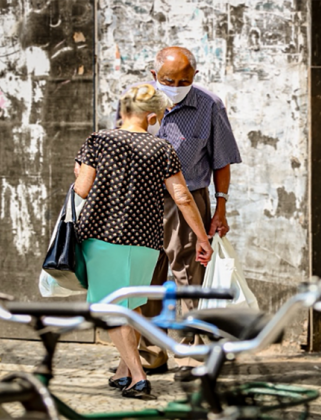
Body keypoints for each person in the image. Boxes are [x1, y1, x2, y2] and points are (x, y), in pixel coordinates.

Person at [74, 84, 213, 398]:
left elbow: (81, 190)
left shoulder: (98, 141)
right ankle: (124, 371)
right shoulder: (162, 148)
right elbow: (183, 197)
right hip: (147, 241)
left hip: (103, 237)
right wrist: (202, 238)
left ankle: (138, 376)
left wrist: (79, 171)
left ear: (123, 111)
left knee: (112, 307)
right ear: (151, 116)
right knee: (132, 305)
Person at [134, 46, 242, 376]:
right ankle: (150, 354)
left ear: (195, 76)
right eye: (169, 80)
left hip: (190, 199)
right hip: (143, 200)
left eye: (184, 79)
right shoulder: (137, 100)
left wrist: (220, 207)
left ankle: (196, 355)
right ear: (154, 76)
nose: (177, 85)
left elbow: (222, 160)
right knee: (144, 276)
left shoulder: (209, 104)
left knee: (190, 277)